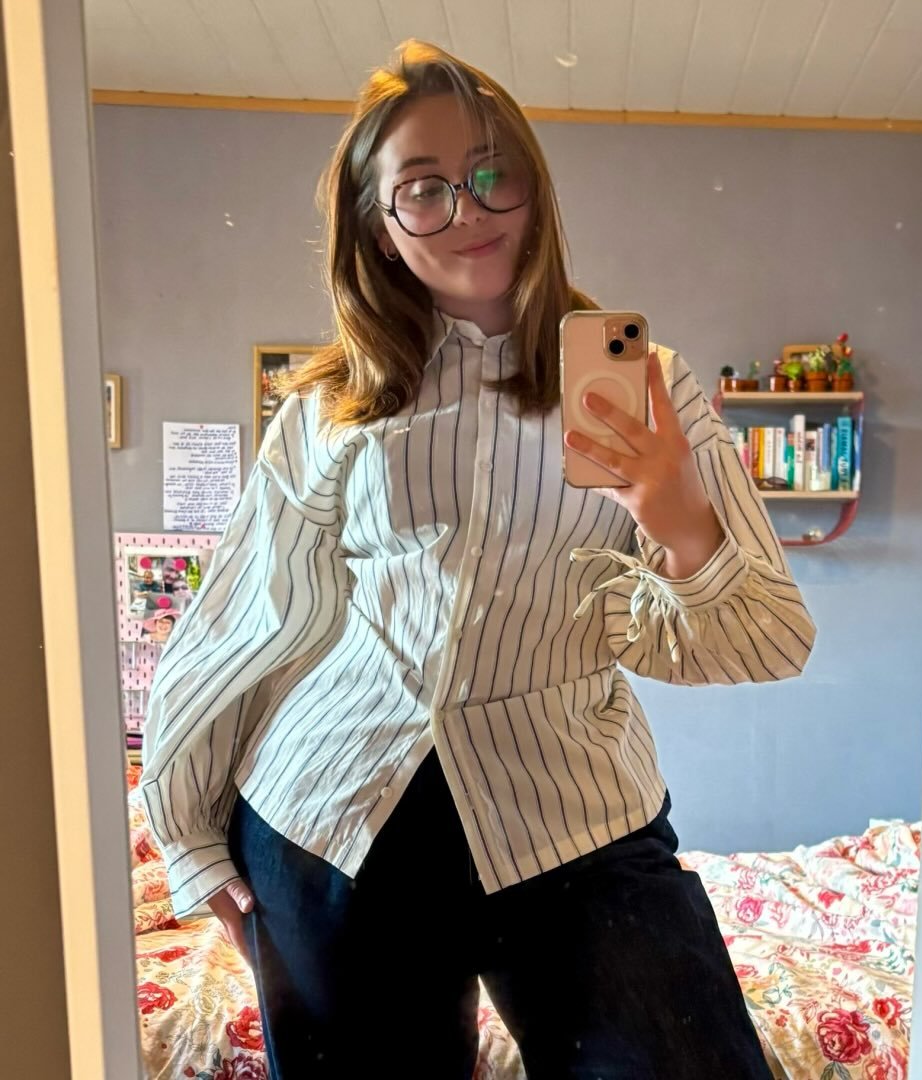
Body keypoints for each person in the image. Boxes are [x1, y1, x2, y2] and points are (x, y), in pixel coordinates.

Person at [140, 40, 815, 1080]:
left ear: (534, 189)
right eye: (423, 188)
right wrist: (186, 831)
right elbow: (248, 619)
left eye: (492, 171)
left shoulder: (652, 386)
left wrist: (679, 521)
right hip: (331, 819)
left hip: (574, 815)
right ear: (380, 224)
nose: (467, 208)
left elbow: (766, 640)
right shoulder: (330, 407)